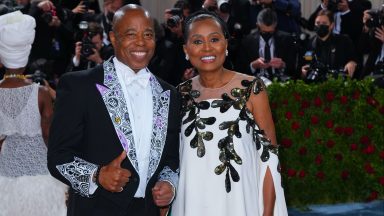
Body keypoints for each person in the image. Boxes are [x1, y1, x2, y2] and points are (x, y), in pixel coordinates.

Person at [47, 4, 180, 216]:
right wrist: (97, 175)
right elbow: (58, 157)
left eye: (148, 34)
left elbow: (171, 158)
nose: (141, 42)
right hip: (95, 209)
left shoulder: (169, 93)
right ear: (113, 37)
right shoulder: (79, 86)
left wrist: (168, 184)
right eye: (130, 34)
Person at [171, 10, 287, 216]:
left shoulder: (252, 88)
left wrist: (267, 212)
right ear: (185, 49)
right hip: (191, 204)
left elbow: (270, 157)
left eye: (214, 39)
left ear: (226, 44)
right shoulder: (179, 94)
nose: (207, 48)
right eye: (197, 41)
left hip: (241, 203)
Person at [0, 11, 67, 215]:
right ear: (26, 53)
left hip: (7, 172)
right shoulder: (42, 93)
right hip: (41, 173)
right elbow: (49, 136)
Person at [235, 8, 298, 81]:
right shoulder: (247, 41)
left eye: (271, 32)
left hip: (280, 82)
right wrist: (253, 65)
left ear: (276, 26)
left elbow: (294, 69)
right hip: (255, 82)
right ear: (257, 25)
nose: (267, 35)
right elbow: (239, 69)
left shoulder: (287, 40)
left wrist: (283, 65)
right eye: (264, 32)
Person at [301, 10, 358, 80]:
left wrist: (351, 63)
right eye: (317, 23)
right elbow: (306, 62)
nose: (320, 26)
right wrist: (303, 72)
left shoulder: (344, 41)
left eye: (324, 23)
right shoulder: (310, 43)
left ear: (331, 25)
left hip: (337, 84)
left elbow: (354, 59)